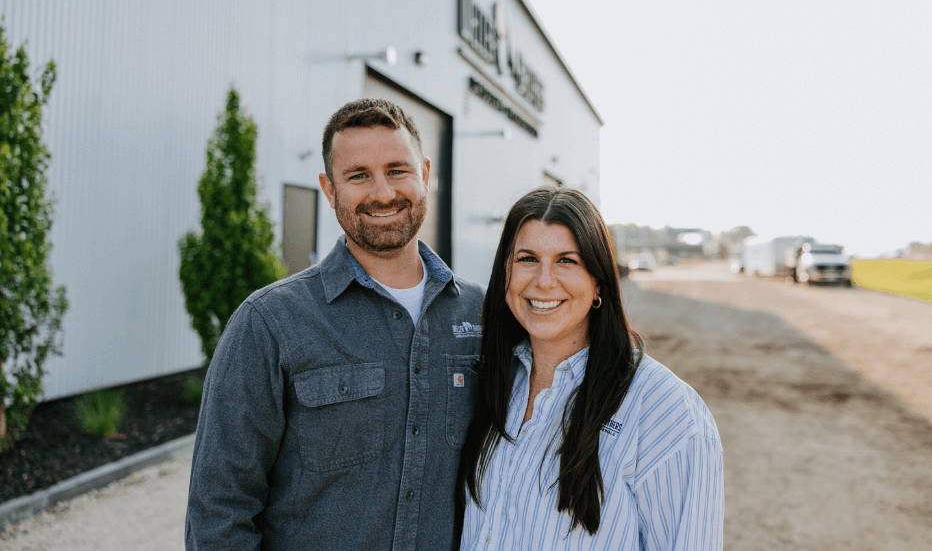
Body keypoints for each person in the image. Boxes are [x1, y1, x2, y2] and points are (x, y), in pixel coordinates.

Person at [185, 98, 485, 550]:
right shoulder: (268, 323)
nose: (382, 192)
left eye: (397, 170)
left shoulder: (480, 316)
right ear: (329, 189)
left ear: (424, 175)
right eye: (358, 175)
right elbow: (219, 509)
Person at [458, 186, 724, 550]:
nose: (544, 281)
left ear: (597, 280)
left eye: (566, 260)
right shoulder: (496, 381)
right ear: (505, 272)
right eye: (527, 259)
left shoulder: (665, 411)